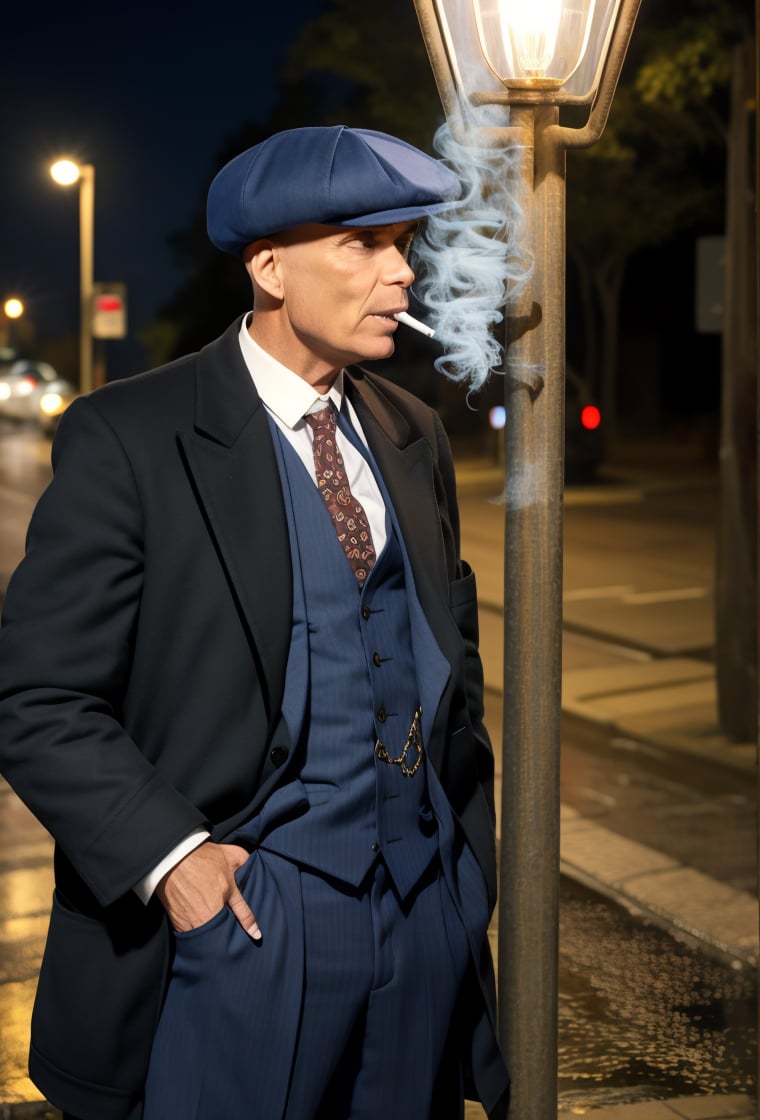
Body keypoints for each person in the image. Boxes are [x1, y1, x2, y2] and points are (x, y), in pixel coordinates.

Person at [0, 125, 509, 1120]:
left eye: (404, 242)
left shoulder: (411, 432)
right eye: (362, 246)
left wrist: (461, 875)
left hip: (422, 919)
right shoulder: (132, 437)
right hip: (247, 929)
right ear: (270, 266)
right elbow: (36, 697)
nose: (401, 273)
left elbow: (446, 664)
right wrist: (172, 862)